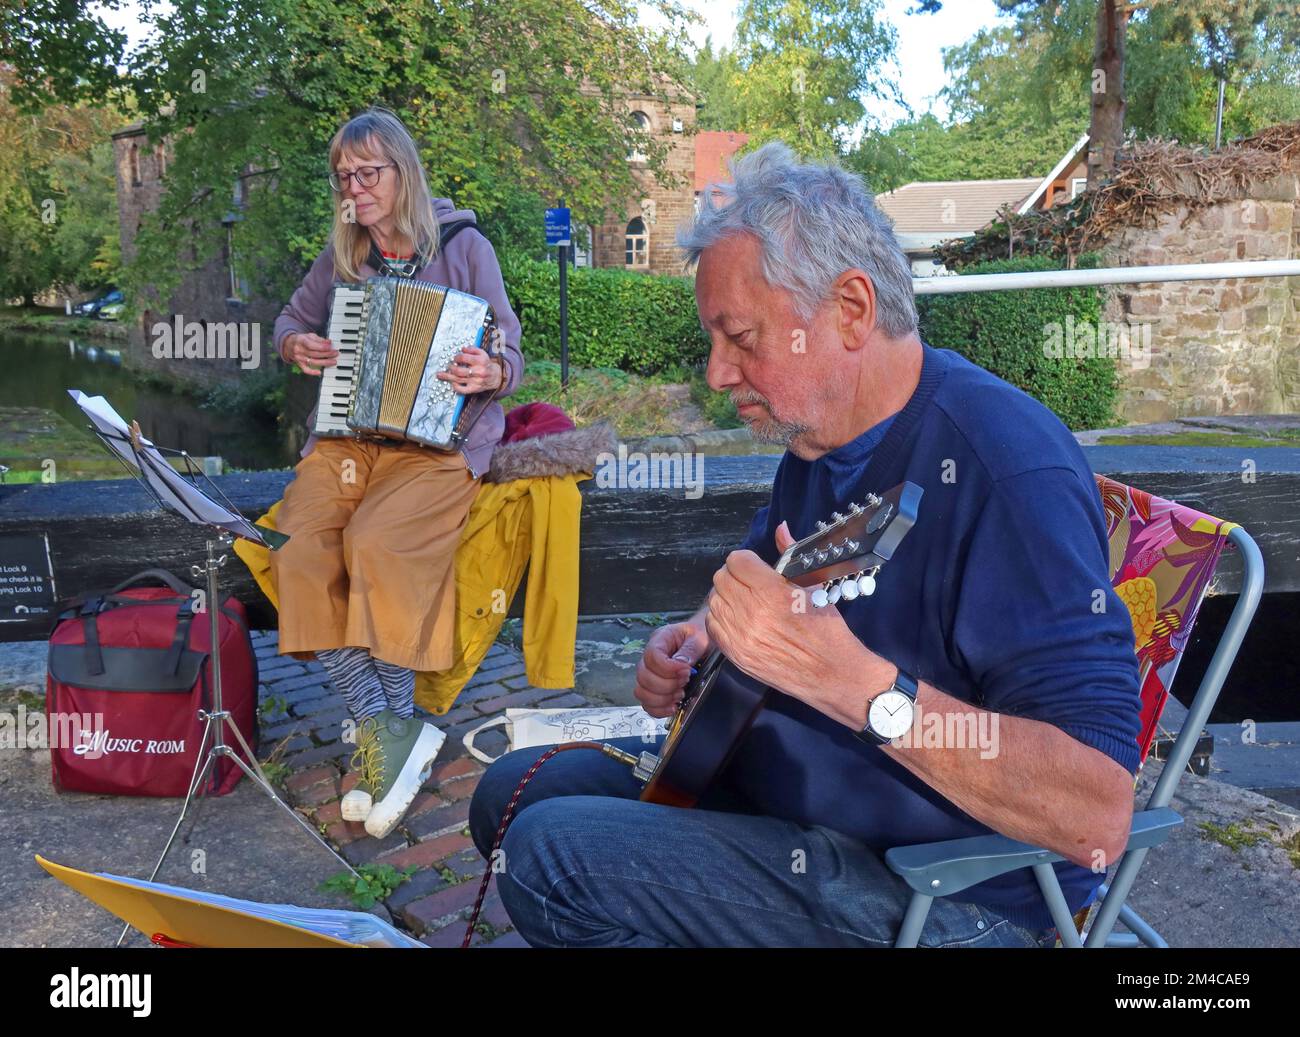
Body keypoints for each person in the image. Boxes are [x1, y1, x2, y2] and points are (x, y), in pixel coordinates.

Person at [467, 142, 1143, 947]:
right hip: (787, 786)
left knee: (552, 858)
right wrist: (699, 637)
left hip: (944, 886)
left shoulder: (1007, 470)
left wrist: (849, 682)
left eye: (741, 337)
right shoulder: (820, 436)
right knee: (507, 794)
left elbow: (1095, 807)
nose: (717, 374)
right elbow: (769, 576)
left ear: (851, 311)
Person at [271, 107, 523, 839]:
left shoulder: (465, 245)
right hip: (351, 438)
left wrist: (489, 368)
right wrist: (300, 349)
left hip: (440, 443)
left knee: (377, 546)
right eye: (344, 176)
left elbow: (512, 356)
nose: (355, 187)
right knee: (300, 544)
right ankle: (386, 727)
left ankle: (391, 734)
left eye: (368, 171)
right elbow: (289, 322)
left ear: (403, 172)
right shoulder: (345, 256)